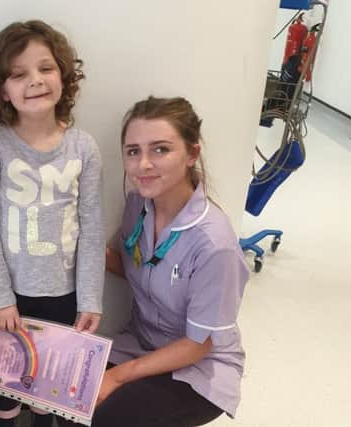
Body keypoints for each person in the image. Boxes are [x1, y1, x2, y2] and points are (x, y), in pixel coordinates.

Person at [69, 96, 249, 426]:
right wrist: (76, 243)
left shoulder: (214, 245)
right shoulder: (138, 204)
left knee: (109, 416)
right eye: (133, 151)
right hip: (141, 344)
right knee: (70, 393)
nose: (144, 164)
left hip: (199, 366)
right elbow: (134, 265)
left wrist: (119, 376)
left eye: (161, 149)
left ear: (191, 154)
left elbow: (198, 345)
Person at [0, 20, 105, 427]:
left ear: (64, 75)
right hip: (8, 298)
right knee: (7, 392)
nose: (35, 81)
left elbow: (93, 229)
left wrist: (91, 300)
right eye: (18, 73)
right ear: (2, 90)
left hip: (64, 295)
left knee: (46, 394)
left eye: (45, 68)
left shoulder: (84, 147)